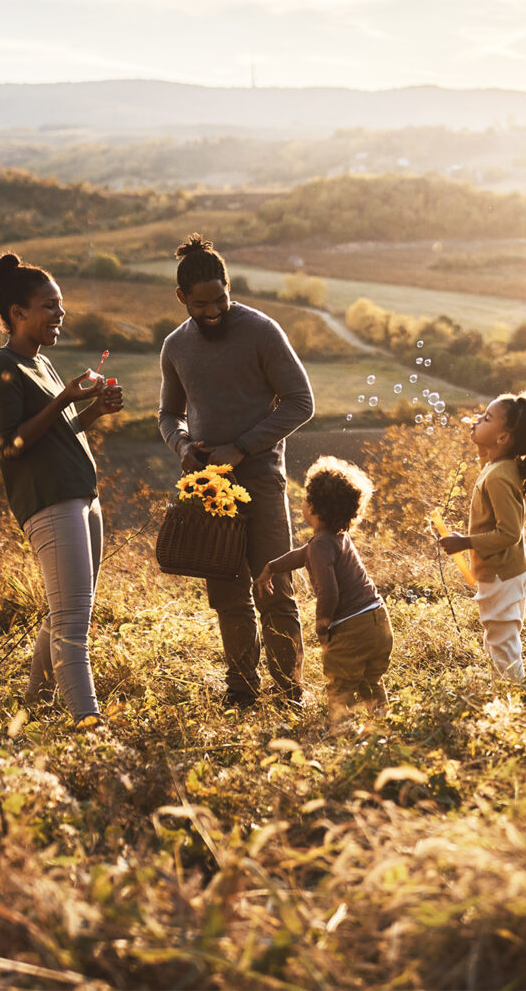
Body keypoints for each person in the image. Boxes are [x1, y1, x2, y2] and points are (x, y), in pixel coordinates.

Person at [159, 234, 315, 707]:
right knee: (227, 594)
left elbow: (301, 402)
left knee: (274, 587)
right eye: (201, 304)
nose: (212, 312)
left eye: (220, 300)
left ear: (230, 289)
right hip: (210, 489)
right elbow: (168, 414)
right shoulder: (175, 346)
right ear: (182, 298)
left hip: (262, 478)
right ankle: (242, 691)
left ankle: (290, 694)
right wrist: (182, 444)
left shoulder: (262, 330)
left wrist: (242, 448)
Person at [0, 252, 123, 730]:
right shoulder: (2, 368)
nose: (60, 315)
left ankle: (33, 702)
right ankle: (88, 721)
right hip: (50, 503)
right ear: (18, 314)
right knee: (73, 621)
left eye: (60, 306)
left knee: (66, 606)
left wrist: (93, 413)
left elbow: (58, 431)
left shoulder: (42, 363)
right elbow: (10, 444)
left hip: (83, 497)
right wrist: (65, 399)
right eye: (49, 306)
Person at [437, 392, 526, 682]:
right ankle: (504, 682)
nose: (476, 420)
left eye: (487, 418)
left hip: (502, 573)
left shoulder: (498, 475)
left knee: (501, 636)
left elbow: (508, 533)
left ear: (503, 438)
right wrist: (483, 443)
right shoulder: (501, 468)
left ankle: (516, 690)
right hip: (503, 570)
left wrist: (465, 542)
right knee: (497, 632)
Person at [254, 457, 390, 721]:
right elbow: (301, 555)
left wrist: (322, 624)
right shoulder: (336, 537)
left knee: (340, 684)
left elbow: (329, 592)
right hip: (378, 621)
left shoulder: (320, 545)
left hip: (352, 628)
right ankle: (382, 721)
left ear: (313, 507)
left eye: (306, 499)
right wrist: (271, 567)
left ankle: (340, 732)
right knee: (370, 679)